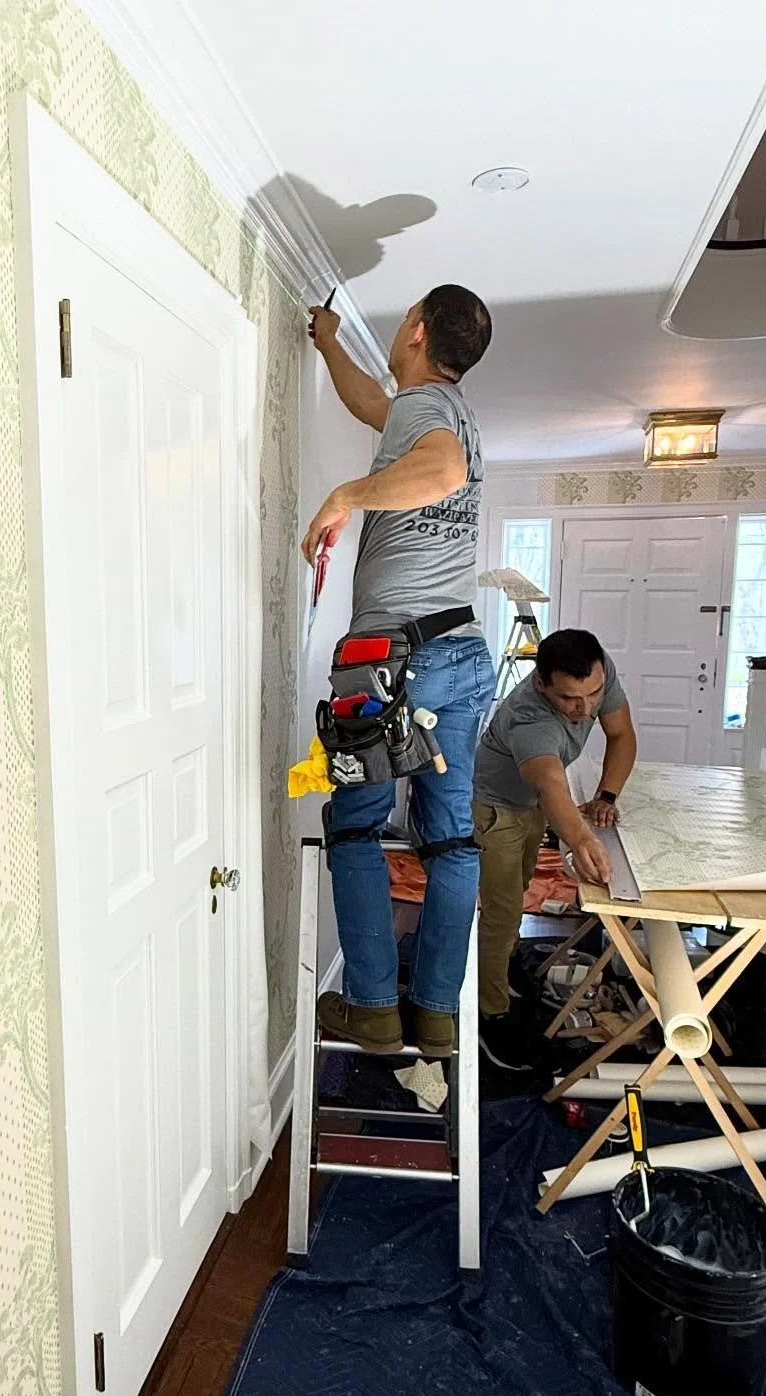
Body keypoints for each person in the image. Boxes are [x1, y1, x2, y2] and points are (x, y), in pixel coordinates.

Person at [301, 284, 494, 1059]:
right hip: (458, 653)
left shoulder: (431, 422)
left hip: (393, 662)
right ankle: (436, 1013)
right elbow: (373, 406)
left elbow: (440, 472)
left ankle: (375, 1007)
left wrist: (347, 493)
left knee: (353, 822)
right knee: (449, 839)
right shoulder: (444, 412)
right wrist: (325, 342)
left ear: (414, 330)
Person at [471, 628, 637, 1069]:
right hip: (495, 808)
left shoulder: (597, 673)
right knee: (502, 911)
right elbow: (550, 783)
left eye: (594, 694)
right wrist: (580, 837)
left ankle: (504, 971)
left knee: (520, 891)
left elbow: (621, 735)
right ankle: (491, 1018)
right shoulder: (531, 721)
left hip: (531, 806)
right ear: (542, 684)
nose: (584, 710)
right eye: (569, 700)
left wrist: (607, 797)